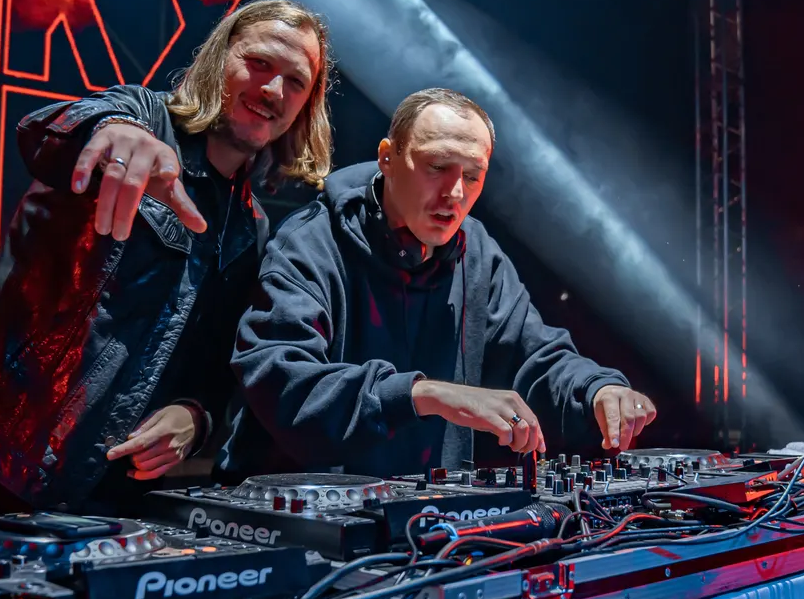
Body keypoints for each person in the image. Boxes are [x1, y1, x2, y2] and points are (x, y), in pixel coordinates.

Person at [0, 0, 333, 536]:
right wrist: (115, 135)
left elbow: (212, 368)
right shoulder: (142, 117)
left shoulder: (250, 228)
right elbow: (49, 133)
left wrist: (195, 418)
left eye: (295, 81)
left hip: (99, 487)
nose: (273, 90)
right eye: (259, 63)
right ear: (219, 57)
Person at [220, 87, 655, 481]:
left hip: (426, 519)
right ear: (387, 158)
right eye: (437, 167)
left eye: (472, 175)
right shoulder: (309, 242)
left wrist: (597, 389)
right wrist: (424, 394)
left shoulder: (477, 252)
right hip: (302, 521)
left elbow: (535, 357)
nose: (455, 192)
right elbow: (284, 383)